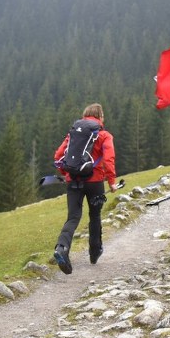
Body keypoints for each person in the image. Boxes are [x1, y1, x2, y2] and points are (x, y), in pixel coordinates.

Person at [52, 102, 118, 274]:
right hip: (95, 182)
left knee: (73, 217)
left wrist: (66, 173)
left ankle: (61, 248)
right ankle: (94, 252)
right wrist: (111, 182)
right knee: (95, 215)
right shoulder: (104, 135)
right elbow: (109, 160)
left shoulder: (73, 134)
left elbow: (59, 155)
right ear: (100, 117)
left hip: (73, 180)